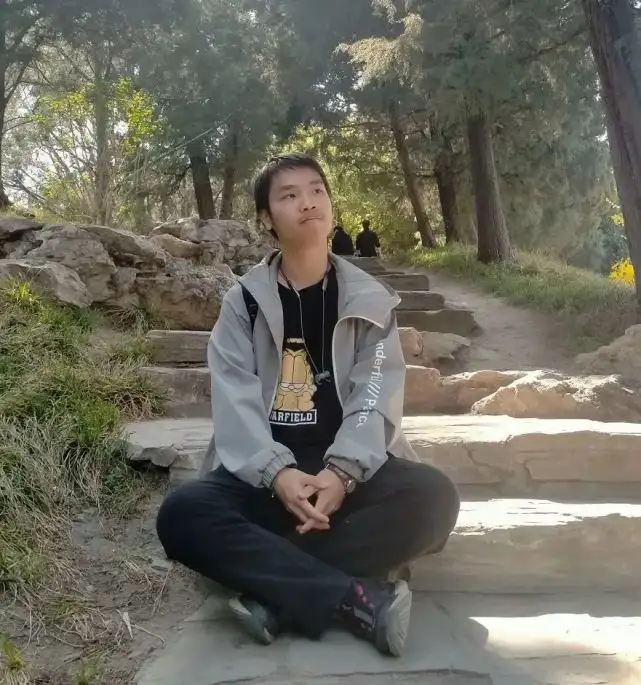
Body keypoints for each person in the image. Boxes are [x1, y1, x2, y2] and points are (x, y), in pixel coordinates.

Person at [155, 153, 460, 657]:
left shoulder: (369, 300)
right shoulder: (242, 303)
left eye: (317, 190)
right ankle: (354, 596)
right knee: (182, 515)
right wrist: (276, 472)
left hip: (346, 476)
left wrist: (341, 474)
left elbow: (375, 395)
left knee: (434, 498)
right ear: (266, 219)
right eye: (289, 195)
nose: (308, 202)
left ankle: (276, 594)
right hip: (264, 477)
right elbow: (234, 398)